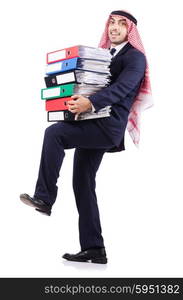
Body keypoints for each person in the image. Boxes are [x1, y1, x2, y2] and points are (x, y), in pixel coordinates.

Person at [20, 10, 153, 264]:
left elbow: (121, 89)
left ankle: (45, 198)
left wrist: (89, 103)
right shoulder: (104, 56)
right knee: (82, 182)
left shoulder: (135, 58)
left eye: (121, 24)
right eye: (111, 23)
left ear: (130, 30)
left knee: (54, 134)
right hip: (93, 122)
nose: (114, 28)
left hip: (107, 127)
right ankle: (94, 248)